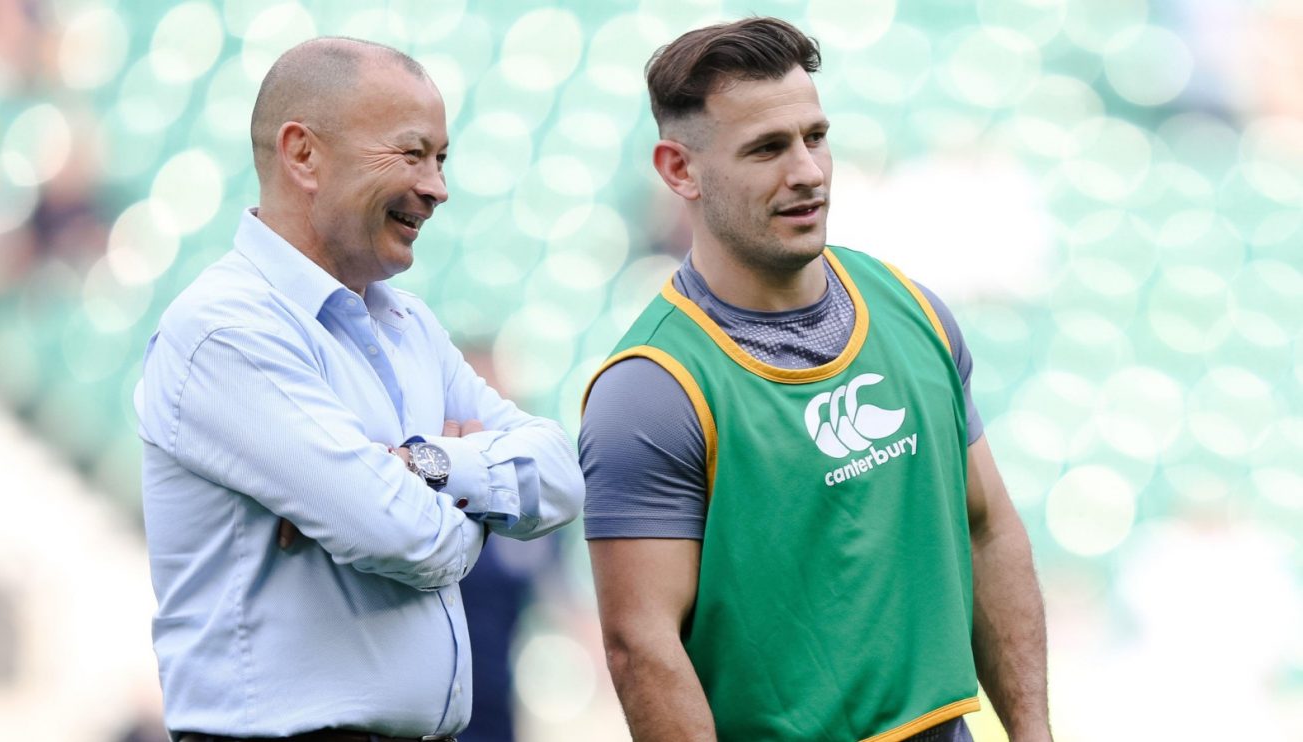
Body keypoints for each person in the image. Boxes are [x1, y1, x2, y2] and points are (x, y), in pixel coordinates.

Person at [580, 17, 1052, 742]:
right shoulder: (650, 389)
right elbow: (642, 649)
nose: (805, 171)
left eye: (815, 137)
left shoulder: (914, 310)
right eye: (767, 148)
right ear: (680, 170)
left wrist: (1032, 733)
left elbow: (987, 529)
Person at [136, 37, 584, 742]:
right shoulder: (223, 331)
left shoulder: (410, 326)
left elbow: (560, 477)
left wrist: (422, 465)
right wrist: (476, 502)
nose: (438, 186)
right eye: (413, 154)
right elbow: (409, 540)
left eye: (442, 159)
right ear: (303, 154)